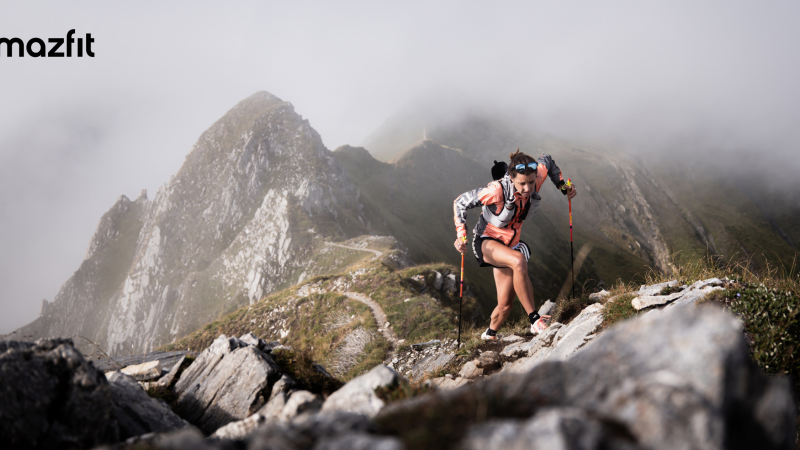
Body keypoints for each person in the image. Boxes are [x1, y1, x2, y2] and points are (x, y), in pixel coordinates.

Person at [453, 149, 577, 340]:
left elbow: (548, 160)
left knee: (505, 306)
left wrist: (562, 186)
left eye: (531, 182)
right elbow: (460, 202)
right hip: (486, 240)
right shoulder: (496, 191)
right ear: (511, 178)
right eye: (522, 183)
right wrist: (461, 235)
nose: (527, 188)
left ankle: (489, 335)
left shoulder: (536, 176)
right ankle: (535, 320)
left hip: (510, 245)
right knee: (519, 260)